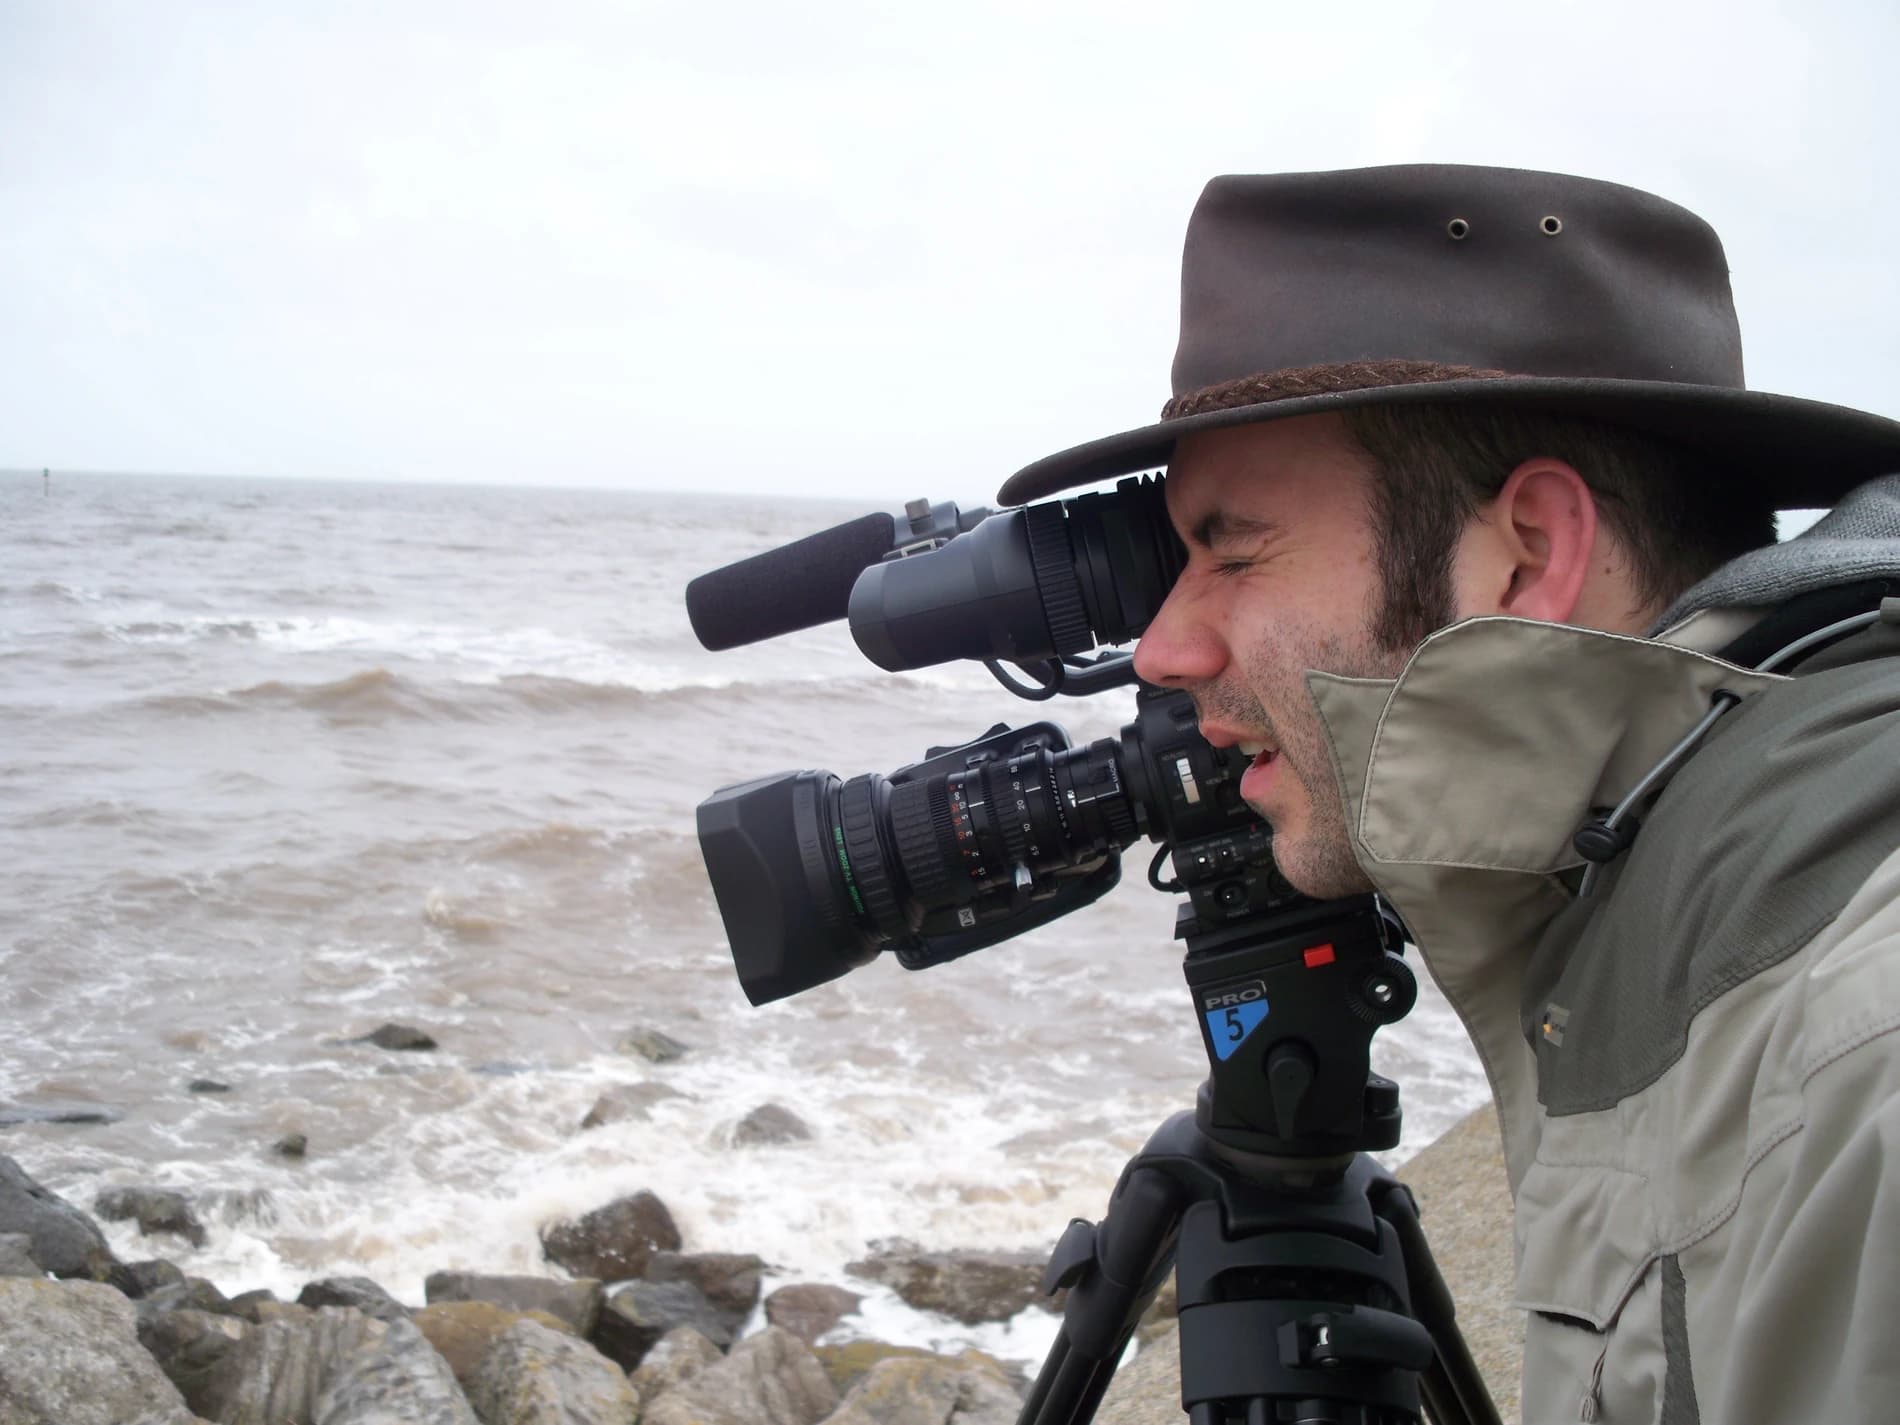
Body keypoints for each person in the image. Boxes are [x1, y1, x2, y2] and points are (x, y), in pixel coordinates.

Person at [997, 166, 1900, 1423]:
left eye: (1232, 548)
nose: (1159, 648)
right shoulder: (1638, 865)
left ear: (1527, 553)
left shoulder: (1852, 1033)